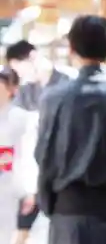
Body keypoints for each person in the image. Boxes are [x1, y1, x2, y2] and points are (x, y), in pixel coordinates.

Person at [35, 15, 106, 244]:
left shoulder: (55, 98)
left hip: (70, 215)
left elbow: (45, 157)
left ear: (71, 48)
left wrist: (50, 207)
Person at [5, 40, 77, 244]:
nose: (18, 74)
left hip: (67, 167)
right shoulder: (26, 91)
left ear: (32, 57)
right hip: (35, 169)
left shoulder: (69, 81)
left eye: (18, 67)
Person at [0, 67, 39, 244]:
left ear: (12, 89)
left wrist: (30, 191)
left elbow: (29, 155)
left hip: (10, 188)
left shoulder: (23, 119)